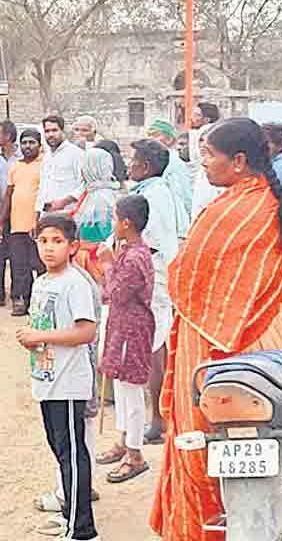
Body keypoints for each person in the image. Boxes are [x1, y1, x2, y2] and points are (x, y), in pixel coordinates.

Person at [150, 117, 282, 541]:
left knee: (198, 441)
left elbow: (185, 278)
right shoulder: (273, 201)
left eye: (208, 155)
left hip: (214, 348)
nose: (202, 163)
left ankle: (201, 531)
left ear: (238, 161)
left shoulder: (229, 211)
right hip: (265, 347)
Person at [15, 213, 100, 541]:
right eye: (43, 241)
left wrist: (40, 337)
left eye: (57, 241)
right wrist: (32, 337)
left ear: (73, 246)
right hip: (47, 378)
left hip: (68, 382)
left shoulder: (75, 283)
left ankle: (82, 529)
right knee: (60, 450)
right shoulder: (42, 282)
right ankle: (69, 516)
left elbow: (86, 331)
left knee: (72, 455)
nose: (49, 248)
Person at [125, 139, 186, 445]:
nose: (129, 165)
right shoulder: (148, 191)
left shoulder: (154, 196)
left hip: (154, 276)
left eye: (133, 160)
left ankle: (159, 418)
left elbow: (153, 241)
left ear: (146, 167)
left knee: (155, 345)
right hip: (151, 273)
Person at [94, 195, 156, 484]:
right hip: (123, 326)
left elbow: (117, 293)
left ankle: (135, 453)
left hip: (132, 328)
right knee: (120, 385)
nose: (112, 223)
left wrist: (108, 265)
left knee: (130, 390)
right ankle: (124, 440)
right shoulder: (131, 251)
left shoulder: (135, 257)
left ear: (127, 223)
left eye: (115, 218)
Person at [0, 127, 45, 317]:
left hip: (39, 226)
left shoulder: (46, 165)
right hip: (17, 225)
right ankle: (23, 302)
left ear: (39, 145)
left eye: (32, 142)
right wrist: (1, 221)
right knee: (20, 267)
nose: (28, 146)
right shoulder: (15, 166)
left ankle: (42, 304)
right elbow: (8, 195)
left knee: (41, 266)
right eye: (25, 143)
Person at [71, 147, 119, 284]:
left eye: (84, 165)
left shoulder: (100, 198)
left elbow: (106, 234)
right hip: (87, 257)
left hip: (95, 261)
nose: (82, 170)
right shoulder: (93, 193)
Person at [0, 120, 22, 313]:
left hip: (18, 213)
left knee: (18, 257)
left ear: (8, 136)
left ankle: (17, 296)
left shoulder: (22, 158)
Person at [146, 119, 193, 223]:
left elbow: (185, 193)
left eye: (155, 135)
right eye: (149, 135)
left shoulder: (175, 162)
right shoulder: (153, 160)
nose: (150, 139)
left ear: (169, 139)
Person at [37, 115, 85, 214]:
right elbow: (42, 188)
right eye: (47, 131)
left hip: (67, 214)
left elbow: (85, 184)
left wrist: (64, 201)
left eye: (54, 130)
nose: (50, 134)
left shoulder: (76, 154)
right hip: (46, 215)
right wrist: (38, 214)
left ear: (62, 131)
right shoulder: (46, 157)